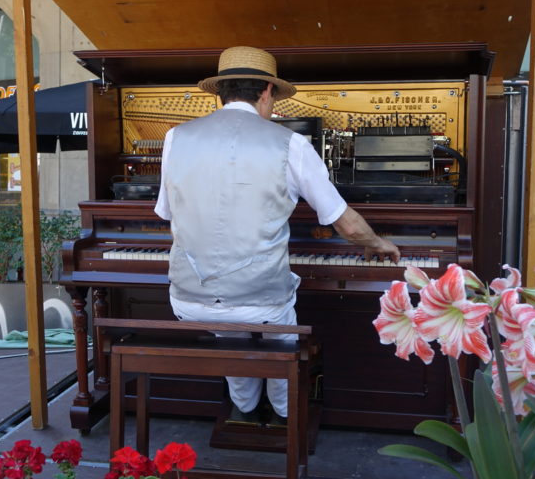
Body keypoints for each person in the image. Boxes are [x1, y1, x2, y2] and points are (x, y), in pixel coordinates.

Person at [154, 46, 400, 427]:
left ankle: (246, 411)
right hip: (259, 299)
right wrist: (377, 243)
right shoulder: (291, 144)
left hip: (189, 298)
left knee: (230, 332)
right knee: (279, 331)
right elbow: (346, 224)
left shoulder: (175, 137)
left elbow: (167, 213)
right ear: (267, 91)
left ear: (220, 92)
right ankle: (285, 414)